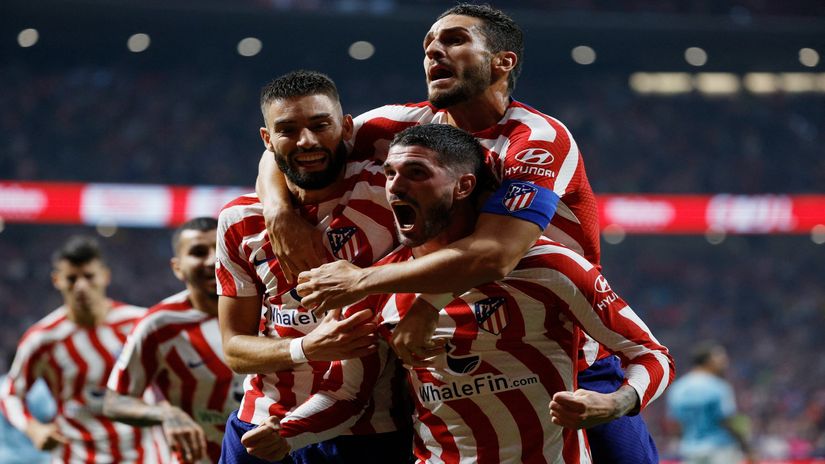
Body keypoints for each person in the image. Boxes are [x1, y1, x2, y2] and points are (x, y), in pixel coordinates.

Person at [257, 4, 659, 462]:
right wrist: (278, 211)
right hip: (441, 358)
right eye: (428, 45)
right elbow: (293, 142)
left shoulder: (536, 139)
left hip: (563, 352)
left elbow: (494, 255)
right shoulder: (408, 127)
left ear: (502, 62)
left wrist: (382, 287)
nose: (434, 52)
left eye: (454, 41)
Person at [243, 124, 674, 463]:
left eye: (416, 173)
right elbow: (347, 394)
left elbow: (650, 354)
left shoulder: (548, 266)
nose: (395, 186)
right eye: (390, 173)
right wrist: (287, 431)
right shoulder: (380, 283)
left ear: (464, 187)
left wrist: (617, 402)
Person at [216, 70, 411, 463]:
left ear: (347, 127)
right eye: (288, 130)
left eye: (320, 125)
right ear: (267, 141)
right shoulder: (239, 221)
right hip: (258, 427)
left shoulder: (389, 196)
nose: (307, 141)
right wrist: (305, 348)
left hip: (365, 434)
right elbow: (235, 348)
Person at [0, 235, 168, 463]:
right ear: (56, 280)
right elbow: (10, 393)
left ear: (105, 276)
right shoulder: (43, 339)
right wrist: (34, 429)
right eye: (71, 278)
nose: (81, 286)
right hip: (76, 455)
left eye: (89, 276)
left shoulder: (139, 323)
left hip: (144, 454)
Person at [104, 217, 245, 463]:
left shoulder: (267, 308)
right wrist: (164, 413)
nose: (213, 260)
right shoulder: (158, 325)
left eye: (220, 249)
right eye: (198, 252)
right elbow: (114, 402)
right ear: (177, 267)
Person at [667, 341, 755, 464]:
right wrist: (747, 449)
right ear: (708, 361)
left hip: (691, 452)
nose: (725, 362)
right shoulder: (718, 386)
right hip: (720, 451)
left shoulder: (678, 388)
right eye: (720, 358)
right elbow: (728, 421)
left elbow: (676, 425)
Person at [0, 352, 54, 464]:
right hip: (36, 458)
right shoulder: (39, 388)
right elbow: (52, 418)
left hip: (5, 458)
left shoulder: (2, 384)